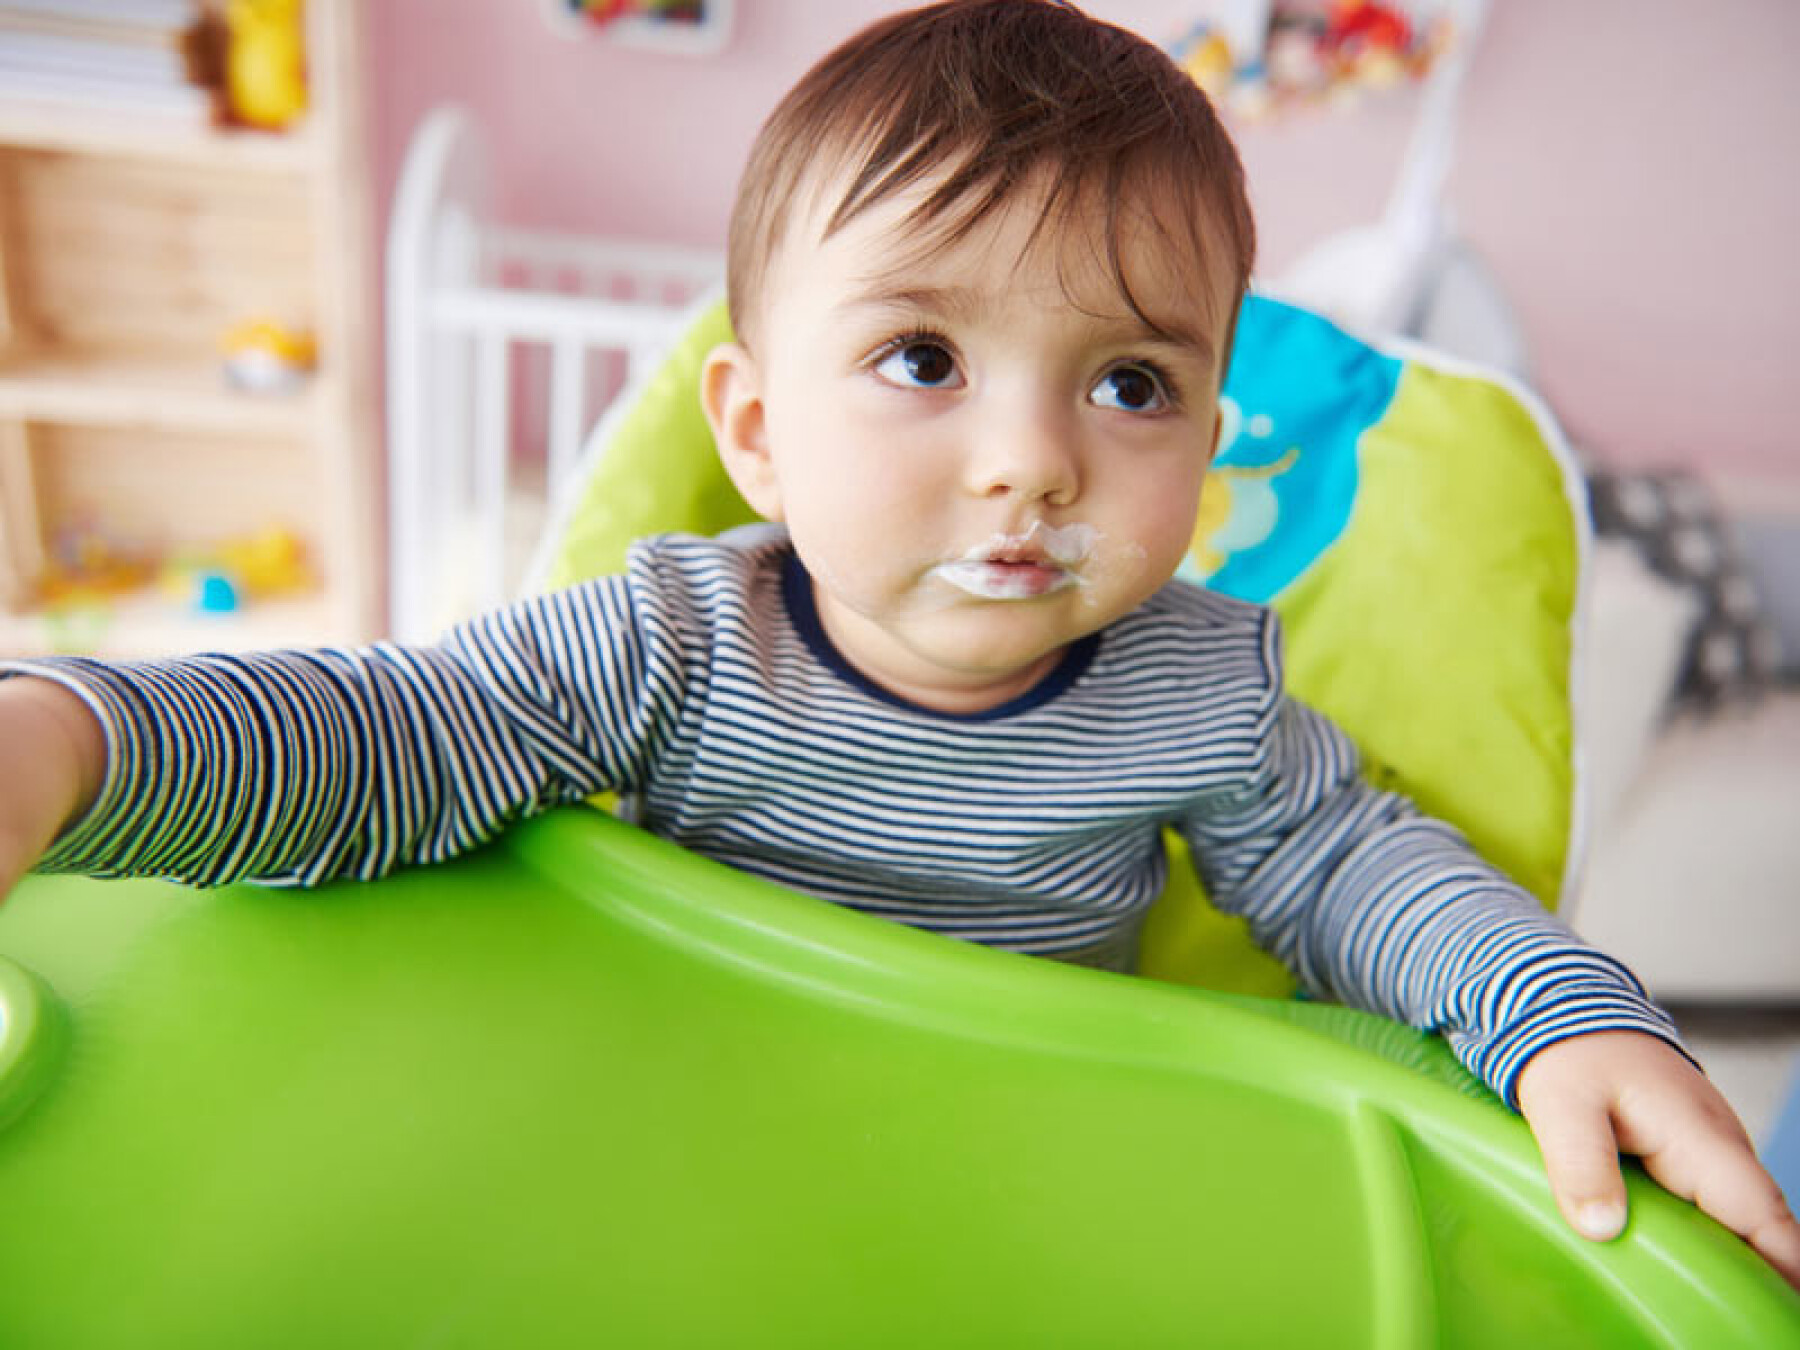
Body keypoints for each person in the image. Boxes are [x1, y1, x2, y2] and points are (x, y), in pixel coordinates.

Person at [1, 0, 1796, 1291]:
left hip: (1016, 1193)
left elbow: (1372, 875)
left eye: (1131, 381)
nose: (1033, 458)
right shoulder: (674, 641)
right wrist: (74, 741)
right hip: (671, 1153)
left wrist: (1563, 1023)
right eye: (924, 358)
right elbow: (379, 737)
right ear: (759, 429)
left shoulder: (1201, 692)